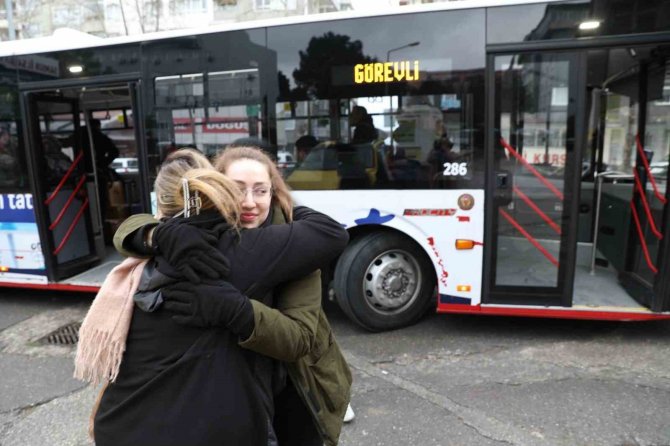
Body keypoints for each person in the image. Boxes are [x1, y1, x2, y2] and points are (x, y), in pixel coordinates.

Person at [84, 148, 351, 445]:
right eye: (237, 189)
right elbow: (133, 226)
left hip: (293, 389)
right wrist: (154, 234)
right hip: (237, 395)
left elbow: (299, 338)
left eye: (261, 190)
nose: (249, 202)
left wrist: (237, 310)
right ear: (213, 190)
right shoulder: (197, 241)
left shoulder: (298, 247)